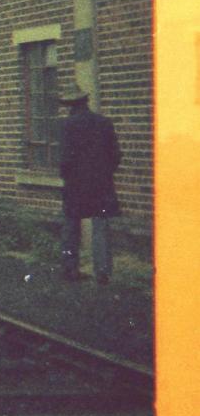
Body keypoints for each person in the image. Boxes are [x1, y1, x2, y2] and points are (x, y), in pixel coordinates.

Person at [57, 82, 121, 285]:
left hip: (76, 184)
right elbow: (116, 155)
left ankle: (70, 268)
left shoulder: (67, 125)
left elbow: (65, 159)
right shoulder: (104, 122)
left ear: (70, 105)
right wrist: (104, 173)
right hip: (101, 183)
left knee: (71, 225)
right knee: (101, 226)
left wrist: (68, 177)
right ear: (86, 101)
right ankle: (102, 272)